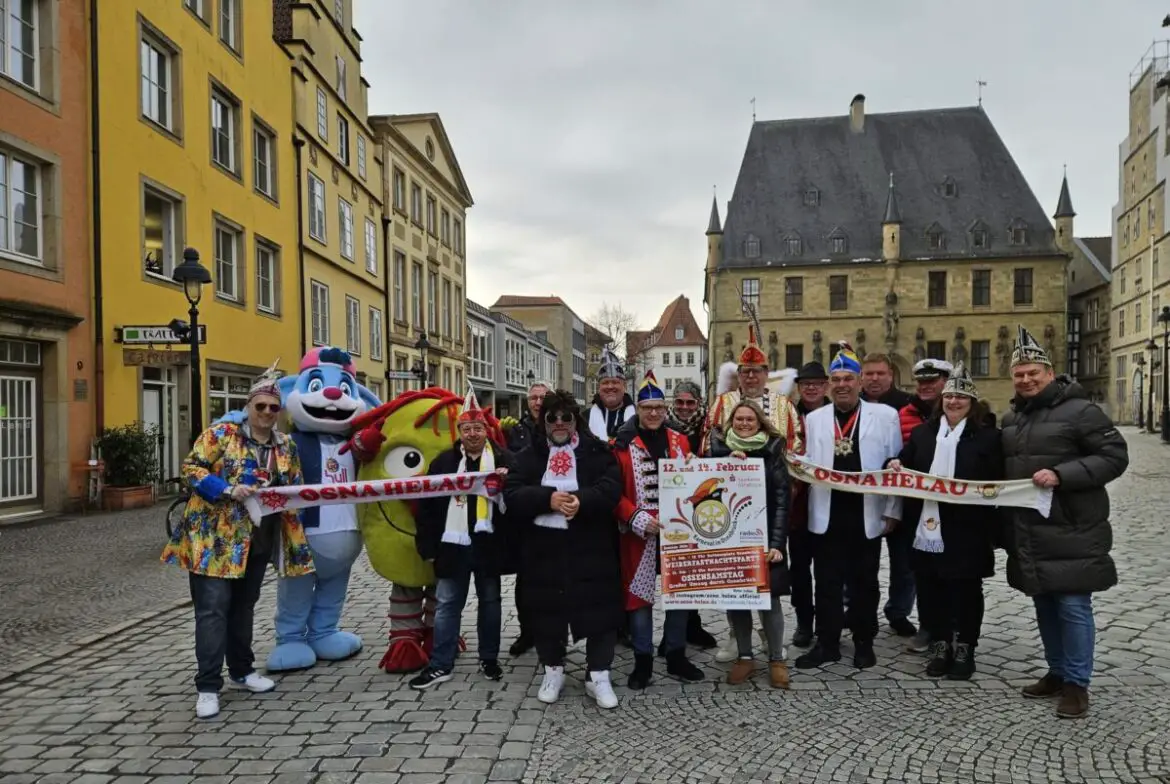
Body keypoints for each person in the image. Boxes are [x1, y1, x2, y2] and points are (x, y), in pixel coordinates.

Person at [161, 366, 314, 719]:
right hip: (214, 543)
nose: (266, 414)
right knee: (213, 611)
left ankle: (242, 671)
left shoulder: (285, 445)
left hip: (258, 541)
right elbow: (192, 469)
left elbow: (296, 486)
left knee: (244, 608)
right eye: (260, 406)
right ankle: (208, 686)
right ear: (249, 406)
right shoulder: (221, 435)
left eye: (273, 408)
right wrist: (228, 489)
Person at [1001, 326, 1129, 719]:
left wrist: (1061, 474)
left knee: (1073, 606)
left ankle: (1077, 684)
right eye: (1019, 374)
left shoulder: (1082, 411)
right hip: (1031, 528)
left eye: (1032, 373)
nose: (1026, 380)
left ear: (1050, 372)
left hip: (1073, 528)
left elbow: (1114, 456)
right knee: (1044, 604)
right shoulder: (1011, 418)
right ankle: (1057, 671)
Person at [504, 389, 625, 709]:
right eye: (552, 418)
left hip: (591, 546)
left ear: (576, 421)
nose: (559, 423)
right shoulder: (528, 456)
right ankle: (552, 670)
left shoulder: (597, 451)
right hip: (544, 551)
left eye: (566, 418)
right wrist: (547, 498)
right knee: (546, 612)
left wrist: (581, 500)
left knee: (600, 610)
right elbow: (512, 493)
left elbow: (612, 486)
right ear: (543, 422)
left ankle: (598, 674)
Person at [886, 363, 1001, 680]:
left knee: (965, 591)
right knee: (929, 588)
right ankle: (939, 645)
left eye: (960, 397)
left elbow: (997, 483)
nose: (953, 402)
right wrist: (894, 463)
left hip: (967, 530)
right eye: (949, 397)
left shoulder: (989, 438)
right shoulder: (924, 434)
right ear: (942, 400)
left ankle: (965, 647)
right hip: (925, 526)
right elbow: (903, 462)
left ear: (971, 402)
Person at [794, 345, 901, 671]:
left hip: (866, 513)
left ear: (859, 383)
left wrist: (893, 511)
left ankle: (863, 642)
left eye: (848, 379)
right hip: (827, 513)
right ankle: (827, 643)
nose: (842, 385)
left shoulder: (885, 416)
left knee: (864, 583)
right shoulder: (814, 419)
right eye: (836, 379)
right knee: (825, 582)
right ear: (829, 384)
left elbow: (895, 467)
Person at [705, 326, 802, 663]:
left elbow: (795, 450)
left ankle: (770, 639)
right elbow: (709, 446)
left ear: (766, 374)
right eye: (745, 372)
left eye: (757, 371)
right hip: (730, 508)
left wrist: (783, 493)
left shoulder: (783, 406)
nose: (750, 377)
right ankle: (736, 636)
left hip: (769, 505)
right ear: (739, 375)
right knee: (735, 579)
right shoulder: (722, 405)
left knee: (768, 582)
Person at [410, 388, 511, 690]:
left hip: (489, 546)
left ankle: (489, 658)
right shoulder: (443, 462)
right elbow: (425, 507)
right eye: (467, 429)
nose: (472, 434)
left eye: (478, 428)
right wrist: (427, 547)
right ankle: (441, 663)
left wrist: (505, 485)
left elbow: (517, 503)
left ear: (487, 430)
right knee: (447, 605)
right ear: (460, 432)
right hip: (452, 547)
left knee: (491, 603)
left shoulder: (504, 459)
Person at [614, 372, 704, 689]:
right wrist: (636, 517)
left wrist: (697, 466)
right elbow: (613, 492)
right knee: (639, 599)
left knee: (679, 594)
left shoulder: (681, 441)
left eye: (658, 408)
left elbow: (695, 481)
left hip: (677, 530)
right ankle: (642, 662)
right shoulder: (621, 446)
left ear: (665, 411)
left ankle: (677, 654)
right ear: (637, 409)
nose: (653, 413)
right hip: (639, 534)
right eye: (647, 407)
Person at [707, 400, 792, 689]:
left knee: (770, 601)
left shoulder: (774, 453)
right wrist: (727, 463)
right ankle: (744, 656)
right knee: (737, 599)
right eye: (739, 419)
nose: (744, 424)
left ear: (760, 424)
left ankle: (776, 658)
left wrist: (779, 542)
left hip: (766, 539)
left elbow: (782, 500)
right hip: (731, 540)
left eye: (750, 420)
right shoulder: (717, 452)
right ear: (731, 422)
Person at [885, 358, 953, 651]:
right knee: (919, 569)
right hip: (915, 508)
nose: (925, 386)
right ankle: (927, 626)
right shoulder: (905, 416)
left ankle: (953, 628)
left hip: (953, 510)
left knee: (951, 571)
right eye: (921, 381)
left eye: (932, 381)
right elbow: (901, 452)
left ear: (946, 382)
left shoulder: (964, 416)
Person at [666, 380, 718, 651]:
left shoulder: (707, 429)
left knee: (694, 569)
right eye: (680, 402)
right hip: (672, 508)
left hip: (701, 505)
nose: (684, 408)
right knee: (674, 571)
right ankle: (673, 632)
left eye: (690, 403)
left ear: (698, 404)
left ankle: (691, 624)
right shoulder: (663, 428)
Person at [502, 380, 549, 657]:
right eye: (533, 398)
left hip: (553, 509)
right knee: (525, 581)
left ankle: (551, 630)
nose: (538, 402)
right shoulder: (516, 431)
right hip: (525, 514)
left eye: (542, 397)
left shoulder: (560, 425)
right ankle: (526, 632)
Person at [789, 362, 829, 648]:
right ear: (799, 388)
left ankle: (830, 621)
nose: (811, 388)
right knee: (800, 569)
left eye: (816, 383)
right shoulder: (788, 415)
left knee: (829, 569)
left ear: (825, 386)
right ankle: (804, 621)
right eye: (806, 384)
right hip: (798, 506)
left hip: (831, 503)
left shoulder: (836, 414)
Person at [588, 348, 635, 440]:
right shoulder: (584, 418)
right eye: (605, 383)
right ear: (599, 387)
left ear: (624, 386)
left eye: (615, 382)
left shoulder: (637, 418)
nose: (610, 387)